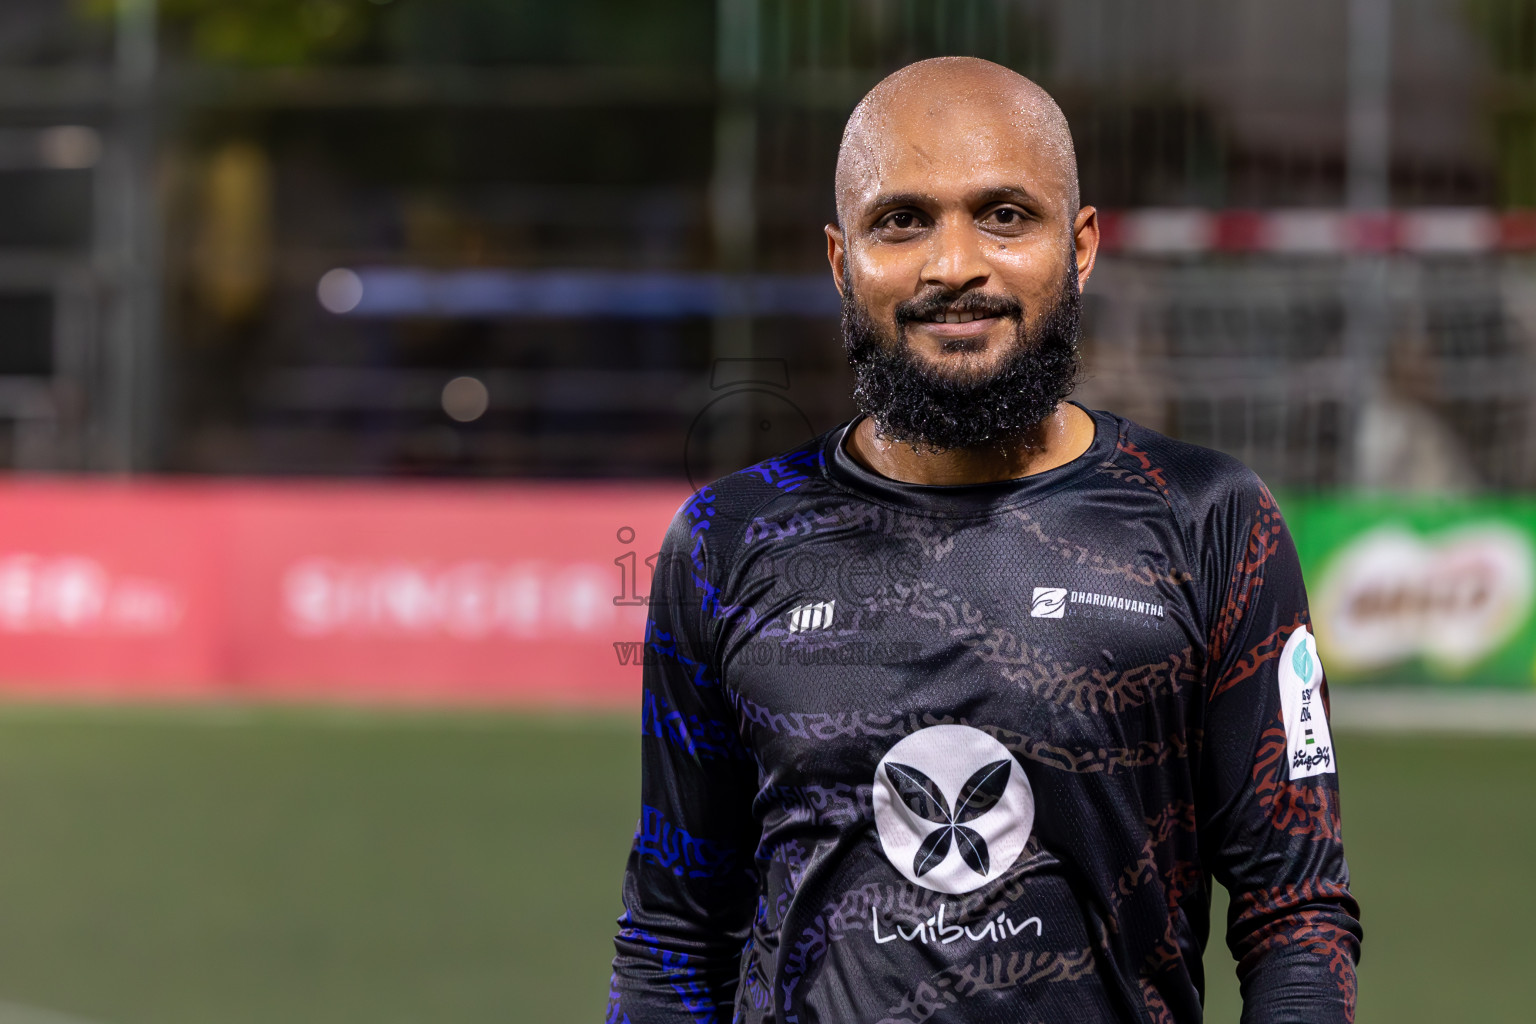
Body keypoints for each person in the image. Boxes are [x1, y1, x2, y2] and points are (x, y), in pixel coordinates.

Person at [608, 56, 1360, 1023]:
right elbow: (672, 935)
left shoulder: (1210, 520)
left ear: (1080, 246)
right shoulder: (725, 543)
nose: (953, 265)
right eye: (902, 220)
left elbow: (1294, 915)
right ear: (842, 262)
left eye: (1005, 215)